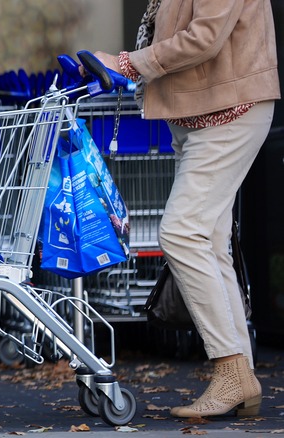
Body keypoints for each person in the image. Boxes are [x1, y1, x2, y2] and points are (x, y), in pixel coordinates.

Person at [91, 0, 280, 419]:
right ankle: (241, 373)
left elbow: (205, 38)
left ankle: (231, 369)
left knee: (181, 232)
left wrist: (126, 63)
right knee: (210, 240)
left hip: (229, 111)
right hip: (198, 114)